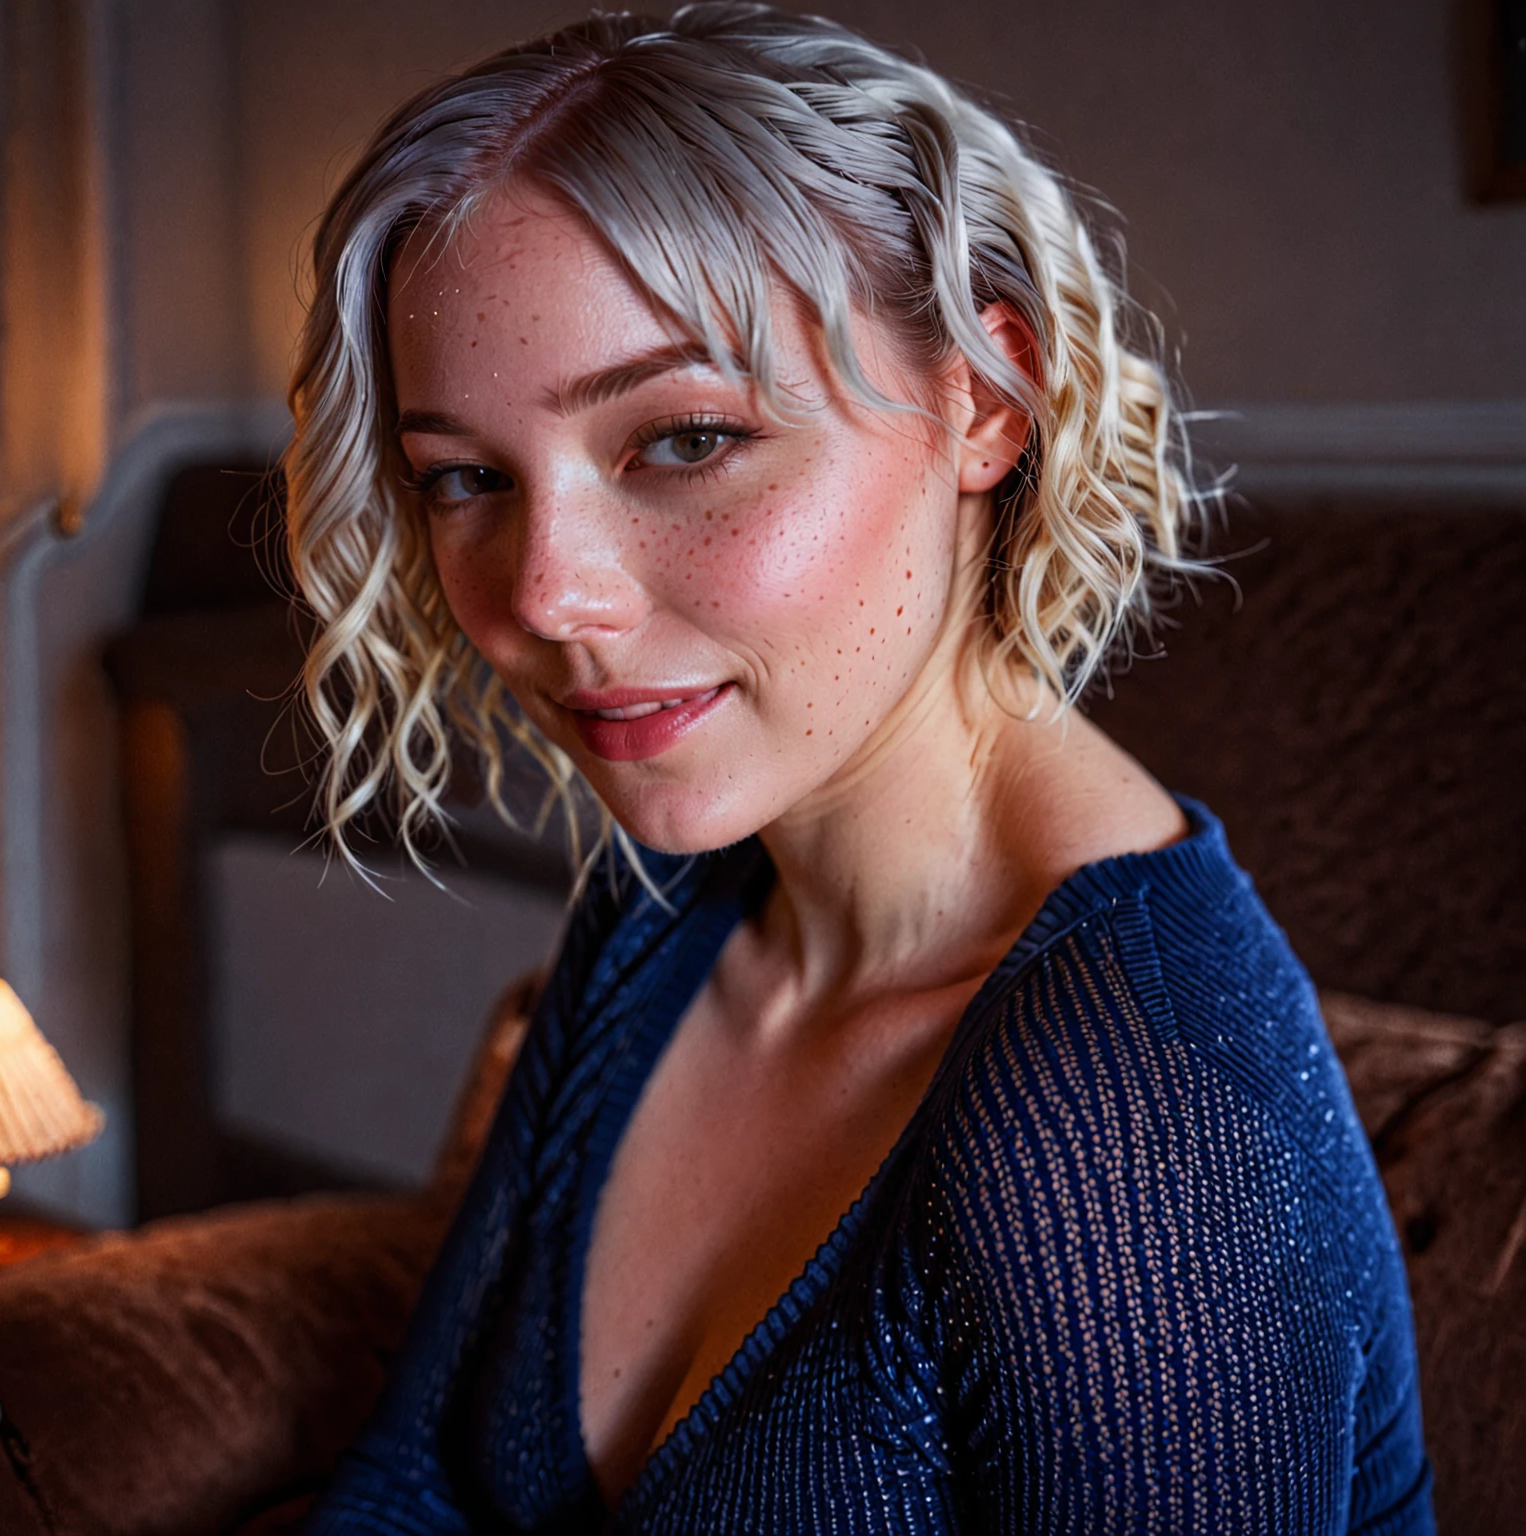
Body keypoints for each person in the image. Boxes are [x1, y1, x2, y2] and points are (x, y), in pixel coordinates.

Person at [287, 5, 1433, 1530]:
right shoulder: (663, 917)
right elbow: (417, 1483)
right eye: (465, 479)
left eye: (683, 439)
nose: (545, 594)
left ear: (983, 399)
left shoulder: (1137, 1126)